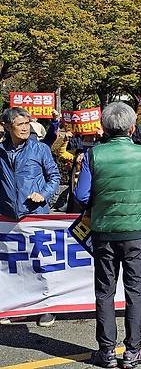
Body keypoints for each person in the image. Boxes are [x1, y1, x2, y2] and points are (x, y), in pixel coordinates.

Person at [73, 102, 141, 368]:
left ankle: (106, 351)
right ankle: (133, 351)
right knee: (135, 291)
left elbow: (82, 195)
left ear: (104, 127)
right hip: (136, 232)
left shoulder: (94, 155)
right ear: (132, 127)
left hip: (104, 232)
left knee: (105, 291)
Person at [0, 107, 61, 328]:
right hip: (8, 217)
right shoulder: (0, 151)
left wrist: (42, 194)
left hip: (35, 215)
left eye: (27, 123)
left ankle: (46, 309)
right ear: (7, 126)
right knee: (13, 265)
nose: (25, 127)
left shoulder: (40, 149)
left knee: (41, 262)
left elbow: (54, 176)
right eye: (20, 124)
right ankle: (13, 307)